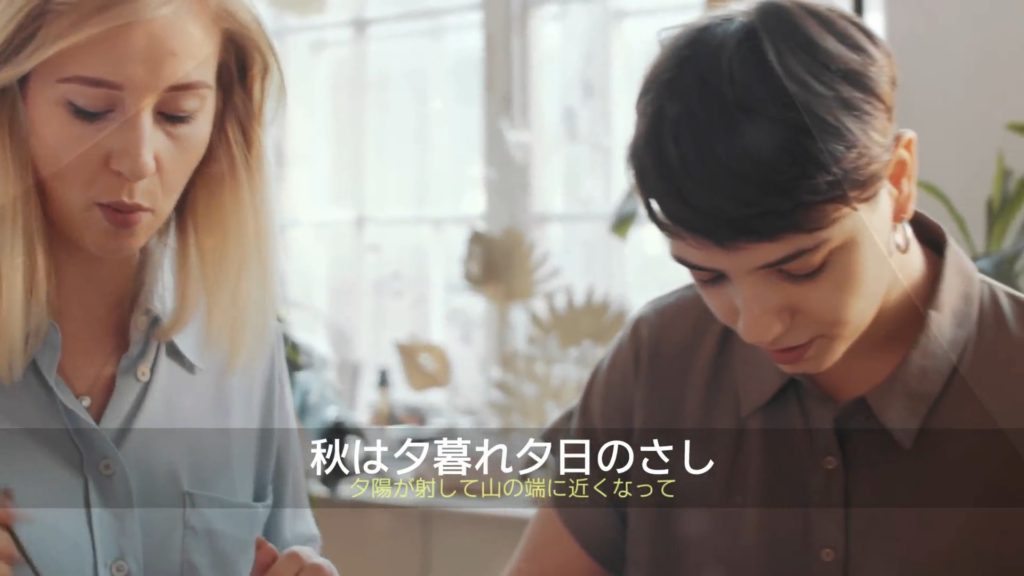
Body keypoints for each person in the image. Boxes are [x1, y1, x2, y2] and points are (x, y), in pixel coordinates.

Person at [504, 1, 1024, 575]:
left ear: (898, 180)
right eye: (709, 276)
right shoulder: (658, 360)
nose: (755, 325)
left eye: (801, 269)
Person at [0, 0, 339, 574]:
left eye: (178, 116)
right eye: (89, 110)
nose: (138, 161)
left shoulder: (244, 347)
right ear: (12, 103)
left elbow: (289, 547)